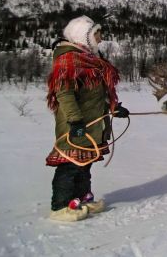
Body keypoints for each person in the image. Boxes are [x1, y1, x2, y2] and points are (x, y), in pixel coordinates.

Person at [44, 16, 129, 222]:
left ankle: (82, 198)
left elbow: (100, 91)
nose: (101, 37)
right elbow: (64, 93)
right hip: (76, 125)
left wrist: (114, 107)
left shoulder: (93, 59)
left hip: (93, 123)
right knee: (70, 164)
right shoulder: (68, 59)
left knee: (85, 163)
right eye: (96, 33)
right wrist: (75, 121)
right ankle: (60, 207)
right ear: (84, 36)